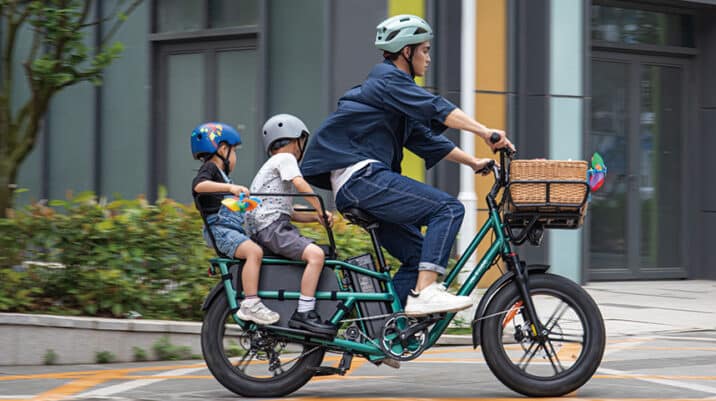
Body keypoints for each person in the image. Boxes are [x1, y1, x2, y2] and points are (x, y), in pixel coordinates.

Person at [300, 14, 515, 316]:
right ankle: (425, 292)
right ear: (406, 52)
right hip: (362, 179)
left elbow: (425, 139)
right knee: (448, 208)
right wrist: (485, 132)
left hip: (361, 186)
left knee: (416, 256)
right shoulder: (386, 80)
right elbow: (435, 107)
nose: (428, 58)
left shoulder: (393, 97)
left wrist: (472, 162)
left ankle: (388, 330)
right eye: (424, 50)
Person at [245, 114, 337, 336]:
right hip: (273, 228)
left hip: (270, 227)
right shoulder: (285, 159)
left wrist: (315, 217)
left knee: (318, 252)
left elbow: (289, 212)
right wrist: (318, 207)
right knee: (316, 255)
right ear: (295, 140)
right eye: (302, 142)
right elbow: (300, 184)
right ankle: (304, 313)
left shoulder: (271, 165)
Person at [190, 122, 280, 325]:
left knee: (258, 252)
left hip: (228, 229)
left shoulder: (222, 178)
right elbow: (199, 186)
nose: (235, 157)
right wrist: (231, 190)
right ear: (222, 149)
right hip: (220, 230)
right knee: (254, 252)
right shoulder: (211, 168)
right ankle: (251, 304)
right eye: (234, 151)